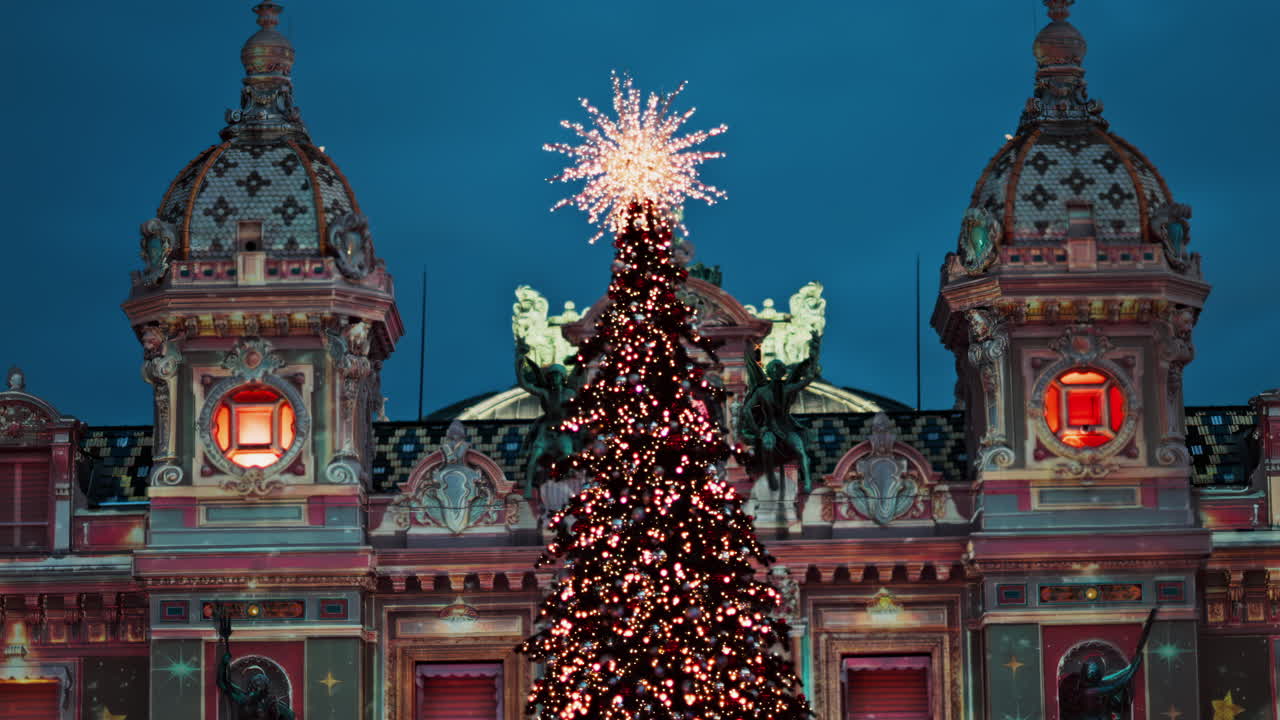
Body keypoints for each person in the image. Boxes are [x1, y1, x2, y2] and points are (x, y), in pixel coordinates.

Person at [738, 333, 821, 492]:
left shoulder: (786, 389)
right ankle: (769, 475)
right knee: (768, 446)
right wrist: (758, 429)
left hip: (786, 426)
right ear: (770, 372)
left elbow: (808, 379)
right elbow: (747, 409)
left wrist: (814, 353)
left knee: (800, 449)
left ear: (782, 372)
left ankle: (808, 482)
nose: (776, 372)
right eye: (774, 370)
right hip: (770, 427)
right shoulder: (762, 391)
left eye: (779, 370)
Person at [1059, 608, 1158, 720]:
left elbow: (1117, 676)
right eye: (1092, 669)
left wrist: (1132, 665)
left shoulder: (1094, 685)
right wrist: (1135, 664)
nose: (1093, 672)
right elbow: (1118, 684)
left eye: (1095, 669)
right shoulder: (1090, 690)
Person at [215, 607, 295, 720]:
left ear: (266, 684)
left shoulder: (273, 703)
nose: (258, 683)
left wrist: (276, 713)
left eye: (260, 680)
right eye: (255, 680)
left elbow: (290, 716)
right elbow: (222, 682)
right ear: (250, 685)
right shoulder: (243, 698)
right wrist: (224, 661)